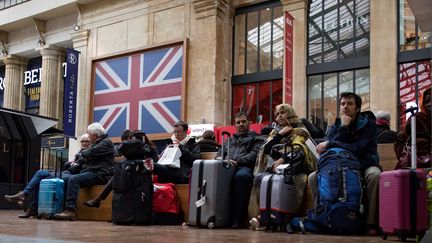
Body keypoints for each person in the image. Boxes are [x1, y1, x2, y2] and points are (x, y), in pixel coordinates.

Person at [308, 92, 381, 235]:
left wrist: (331, 142)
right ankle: (323, 216)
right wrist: (343, 128)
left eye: (350, 104)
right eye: (342, 104)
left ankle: (370, 222)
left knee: (374, 175)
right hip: (339, 165)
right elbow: (331, 150)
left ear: (358, 108)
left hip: (363, 164)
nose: (345, 107)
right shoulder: (336, 126)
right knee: (312, 177)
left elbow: (358, 149)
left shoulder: (369, 125)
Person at [249, 104, 316, 230]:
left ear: (290, 113)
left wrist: (283, 159)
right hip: (276, 169)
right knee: (259, 178)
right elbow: (265, 149)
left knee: (290, 179)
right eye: (277, 114)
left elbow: (299, 149)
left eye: (282, 113)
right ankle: (259, 216)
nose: (279, 116)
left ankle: (276, 218)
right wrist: (279, 135)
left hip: (296, 168)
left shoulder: (301, 130)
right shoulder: (276, 131)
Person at [3, 133, 92, 218]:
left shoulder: (89, 153)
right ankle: (23, 194)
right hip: (66, 173)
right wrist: (71, 164)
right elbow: (67, 165)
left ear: (91, 142)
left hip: (73, 176)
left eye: (87, 141)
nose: (84, 143)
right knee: (40, 173)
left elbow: (74, 168)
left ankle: (32, 207)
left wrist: (72, 164)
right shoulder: (79, 152)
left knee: (42, 180)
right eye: (82, 141)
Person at [53, 122, 115, 220]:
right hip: (91, 172)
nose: (89, 137)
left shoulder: (106, 142)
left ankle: (70, 211)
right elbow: (83, 156)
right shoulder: (97, 143)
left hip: (101, 174)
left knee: (74, 179)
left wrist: (83, 154)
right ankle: (60, 209)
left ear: (95, 134)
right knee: (63, 179)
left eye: (89, 134)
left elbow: (88, 152)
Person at [83, 130, 158, 208]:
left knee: (118, 177)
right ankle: (116, 211)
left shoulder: (150, 148)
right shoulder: (131, 150)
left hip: (143, 175)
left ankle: (99, 199)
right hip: (130, 174)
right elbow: (119, 156)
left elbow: (154, 164)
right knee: (117, 175)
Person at [219, 112, 264, 229]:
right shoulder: (228, 140)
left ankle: (237, 220)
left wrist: (235, 161)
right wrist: (226, 161)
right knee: (214, 176)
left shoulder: (257, 138)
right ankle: (217, 215)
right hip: (227, 167)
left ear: (249, 123)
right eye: (238, 122)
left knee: (241, 177)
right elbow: (219, 156)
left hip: (245, 167)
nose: (241, 124)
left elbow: (253, 157)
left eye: (244, 121)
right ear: (235, 125)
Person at [394, 88, 431, 169]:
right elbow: (400, 141)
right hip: (416, 159)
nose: (429, 104)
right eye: (426, 102)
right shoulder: (416, 118)